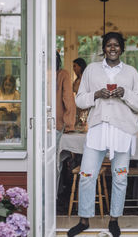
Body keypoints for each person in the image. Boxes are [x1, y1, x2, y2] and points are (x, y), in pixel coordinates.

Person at [68, 32, 138, 237]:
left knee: (120, 178)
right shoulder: (92, 70)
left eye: (117, 45)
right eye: (109, 45)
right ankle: (84, 220)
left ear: (121, 48)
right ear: (104, 48)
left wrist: (125, 94)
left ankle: (114, 220)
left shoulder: (131, 73)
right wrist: (96, 94)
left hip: (122, 131)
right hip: (98, 130)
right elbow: (79, 100)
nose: (113, 48)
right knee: (86, 175)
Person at [56, 52, 76, 195]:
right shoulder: (63, 74)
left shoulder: (40, 72)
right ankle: (57, 195)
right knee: (58, 162)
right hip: (58, 125)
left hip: (40, 126)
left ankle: (51, 195)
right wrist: (69, 124)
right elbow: (68, 98)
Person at [72, 57, 88, 128]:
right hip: (77, 109)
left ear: (80, 66)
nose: (73, 68)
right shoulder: (76, 80)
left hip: (85, 109)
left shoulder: (86, 79)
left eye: (75, 66)